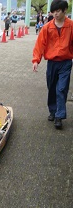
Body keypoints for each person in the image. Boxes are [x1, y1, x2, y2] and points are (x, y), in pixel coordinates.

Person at [32, 0, 73, 129]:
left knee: (61, 89)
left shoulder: (71, 26)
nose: (55, 14)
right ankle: (53, 111)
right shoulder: (47, 27)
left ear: (65, 10)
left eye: (58, 11)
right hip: (52, 63)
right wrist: (35, 60)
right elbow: (40, 44)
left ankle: (59, 116)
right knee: (52, 87)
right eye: (53, 11)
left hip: (65, 63)